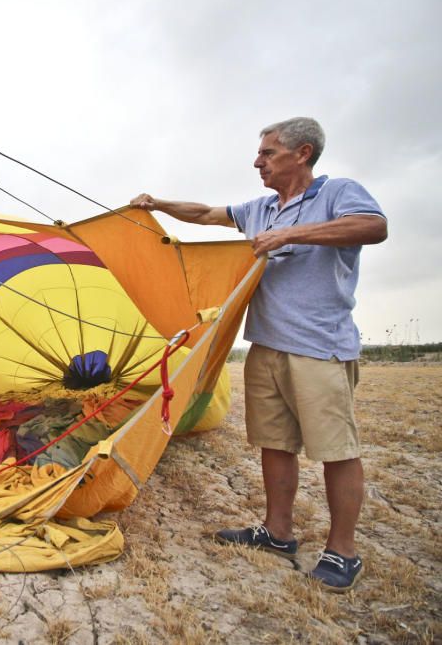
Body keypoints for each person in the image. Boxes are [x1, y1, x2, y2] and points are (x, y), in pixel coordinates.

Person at [130, 117, 387, 592]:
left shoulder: (336, 193)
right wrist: (158, 203)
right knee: (274, 442)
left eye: (268, 153)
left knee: (337, 450)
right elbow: (207, 214)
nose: (258, 161)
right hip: (266, 344)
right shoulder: (262, 208)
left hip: (319, 347)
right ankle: (278, 533)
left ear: (302, 152)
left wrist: (291, 235)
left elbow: (373, 227)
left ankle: (343, 551)